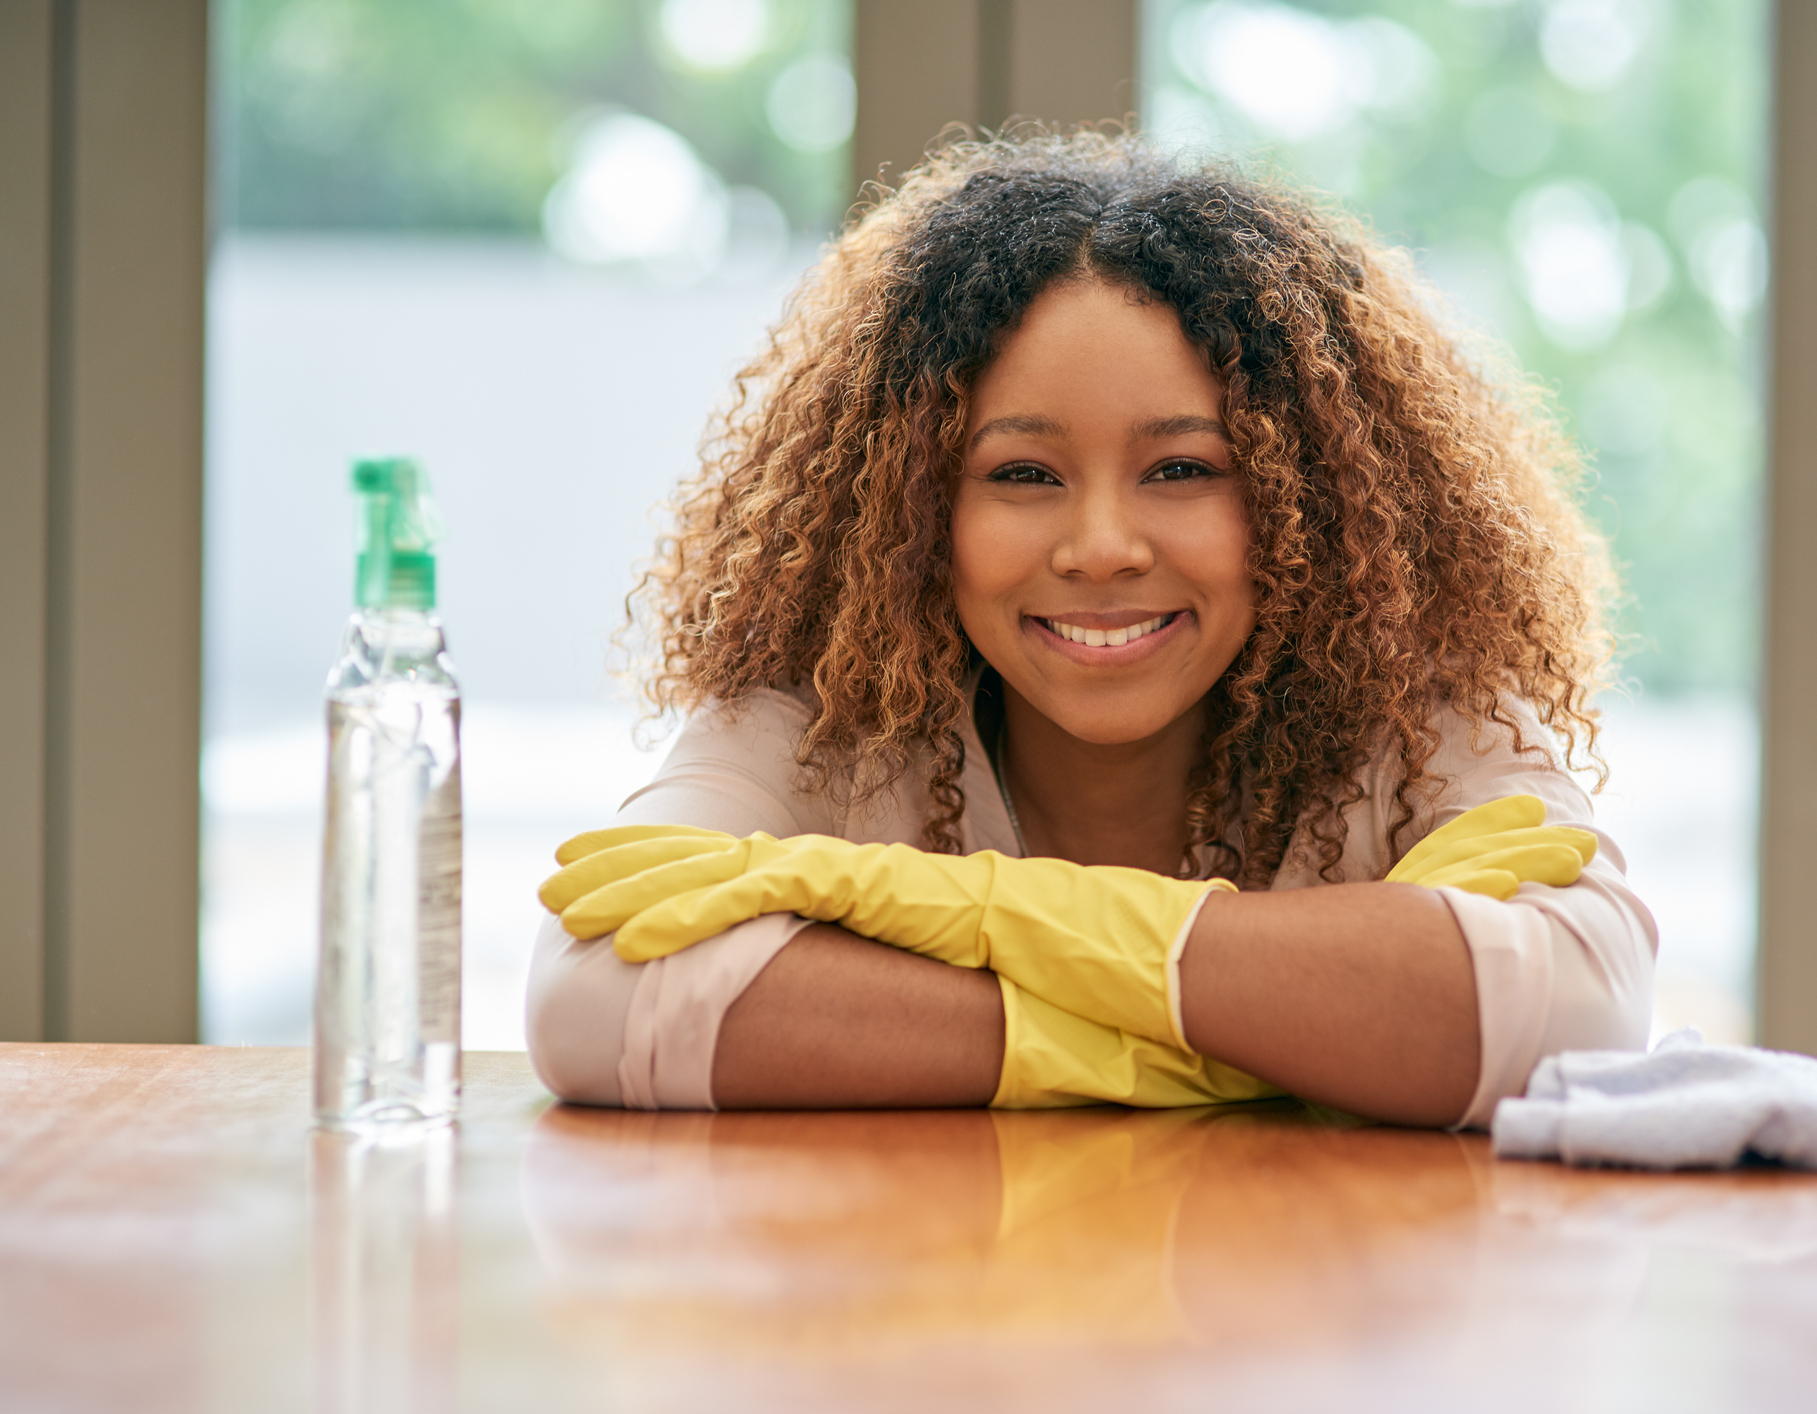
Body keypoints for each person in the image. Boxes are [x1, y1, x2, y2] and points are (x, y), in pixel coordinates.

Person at [525, 132, 1656, 1129]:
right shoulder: (824, 717)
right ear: (917, 507)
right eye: (1021, 472)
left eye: (1181, 468)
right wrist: (1266, 1034)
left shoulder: (1413, 716)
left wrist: (961, 911)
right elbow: (594, 994)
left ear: (1302, 494)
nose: (1101, 546)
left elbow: (1574, 1010)